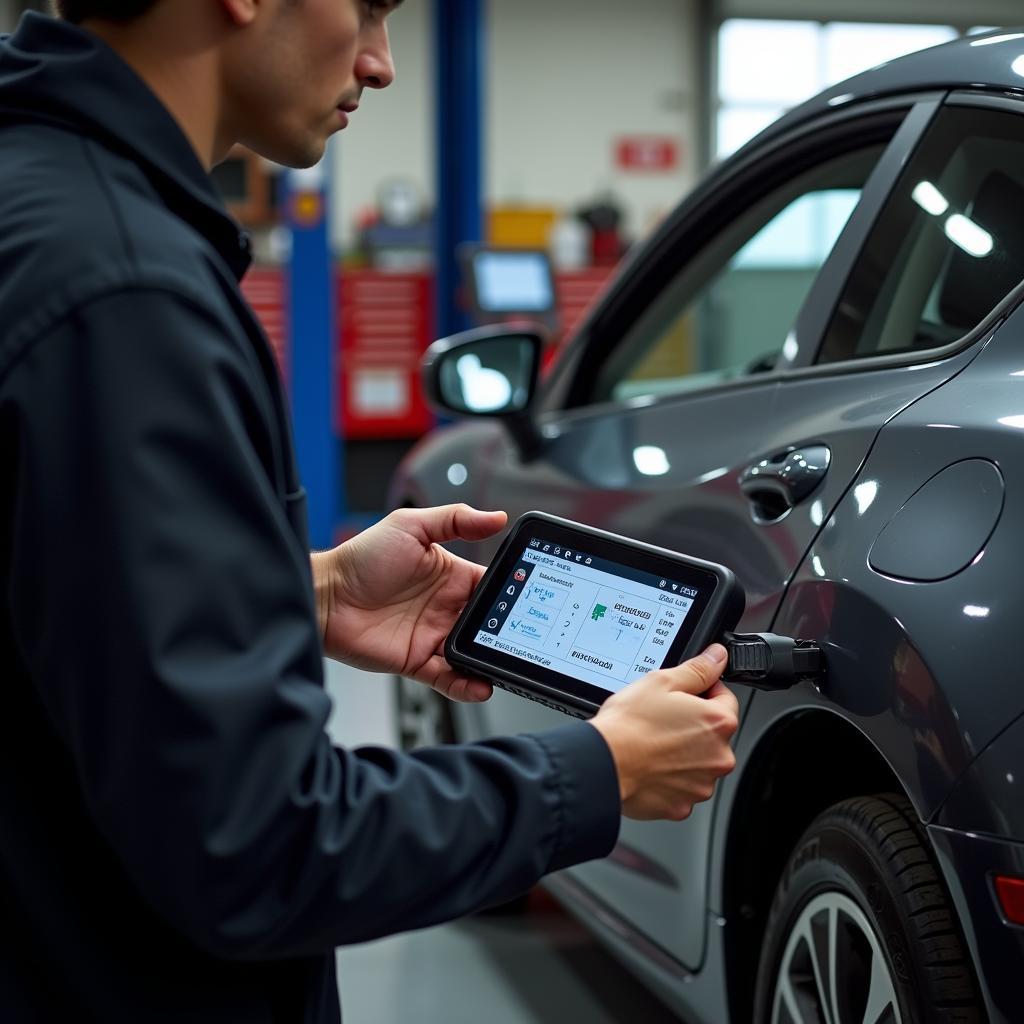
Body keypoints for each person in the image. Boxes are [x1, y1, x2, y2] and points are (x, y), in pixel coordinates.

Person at [0, 2, 740, 1022]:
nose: (382, 63)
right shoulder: (127, 296)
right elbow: (256, 847)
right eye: (370, 6)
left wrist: (303, 589)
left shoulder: (35, 203)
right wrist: (595, 773)